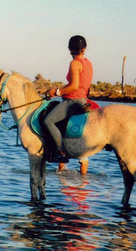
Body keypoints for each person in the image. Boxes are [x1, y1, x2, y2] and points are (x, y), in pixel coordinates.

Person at [44, 35, 93, 163]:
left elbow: (74, 86)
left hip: (73, 101)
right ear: (84, 48)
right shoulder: (88, 63)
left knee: (48, 120)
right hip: (83, 99)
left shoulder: (75, 63)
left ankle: (60, 152)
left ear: (70, 50)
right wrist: (57, 92)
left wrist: (57, 91)